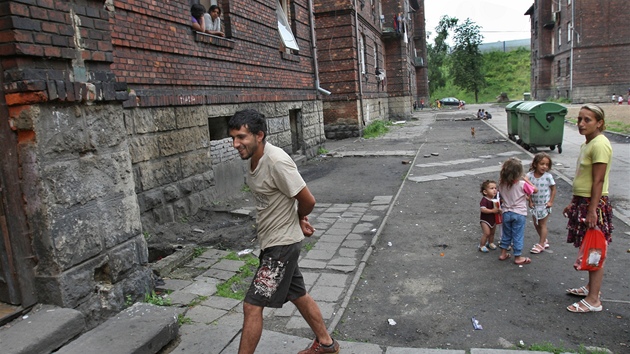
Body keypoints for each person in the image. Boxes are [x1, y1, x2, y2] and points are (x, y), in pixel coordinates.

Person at [227, 109, 340, 354]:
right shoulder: (254, 158)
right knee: (298, 294)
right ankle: (326, 345)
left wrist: (300, 218)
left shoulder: (276, 161)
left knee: (252, 306)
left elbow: (308, 200)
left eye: (241, 137)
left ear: (259, 135)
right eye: (233, 137)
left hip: (281, 246)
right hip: (274, 241)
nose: (235, 144)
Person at [564, 104, 613, 313]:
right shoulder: (588, 143)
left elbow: (598, 180)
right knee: (589, 247)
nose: (581, 124)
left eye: (587, 120)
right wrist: (573, 202)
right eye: (579, 119)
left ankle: (594, 300)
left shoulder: (600, 144)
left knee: (595, 249)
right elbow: (583, 177)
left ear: (599, 123)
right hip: (583, 202)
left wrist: (592, 209)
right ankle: (590, 289)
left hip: (594, 204)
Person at [497, 157, 537, 265]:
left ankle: (503, 253)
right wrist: (526, 179)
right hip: (519, 213)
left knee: (506, 234)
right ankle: (518, 256)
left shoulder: (501, 184)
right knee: (517, 235)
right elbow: (535, 190)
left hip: (506, 212)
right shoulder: (522, 184)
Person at [526, 152, 557, 254]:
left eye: (547, 164)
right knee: (536, 223)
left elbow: (553, 189)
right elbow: (528, 190)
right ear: (535, 164)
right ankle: (543, 240)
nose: (544, 166)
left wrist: (550, 202)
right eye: (542, 164)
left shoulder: (548, 176)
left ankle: (541, 243)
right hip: (535, 205)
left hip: (544, 205)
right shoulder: (529, 176)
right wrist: (530, 201)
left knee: (542, 224)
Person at [478, 180, 501, 253]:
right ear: (485, 192)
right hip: (485, 220)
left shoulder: (495, 200)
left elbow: (498, 208)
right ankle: (482, 245)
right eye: (492, 188)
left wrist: (499, 211)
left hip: (493, 219)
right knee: (487, 233)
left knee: (492, 233)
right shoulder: (484, 200)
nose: (494, 190)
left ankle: (490, 242)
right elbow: (483, 209)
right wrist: (492, 211)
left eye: (495, 188)